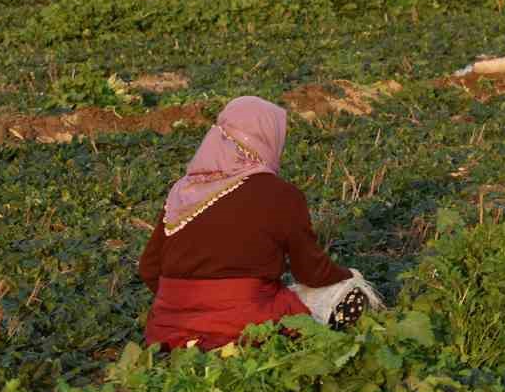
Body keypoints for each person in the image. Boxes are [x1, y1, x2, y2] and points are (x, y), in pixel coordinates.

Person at [138, 95, 381, 350]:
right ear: (268, 139)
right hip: (246, 327)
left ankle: (193, 348)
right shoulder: (278, 193)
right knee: (349, 294)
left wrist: (186, 307)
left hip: (168, 335)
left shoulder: (183, 192)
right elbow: (311, 272)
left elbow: (149, 268)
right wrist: (348, 275)